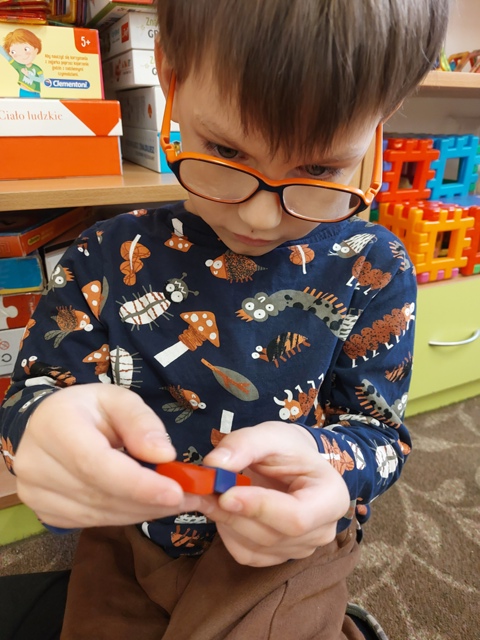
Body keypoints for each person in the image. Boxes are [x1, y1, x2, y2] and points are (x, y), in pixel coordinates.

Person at [0, 1, 449, 638]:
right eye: (225, 150)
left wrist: (325, 464)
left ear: (381, 123)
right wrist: (38, 429)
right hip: (131, 535)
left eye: (319, 169)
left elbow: (380, 435)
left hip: (289, 539)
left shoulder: (373, 265)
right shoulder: (104, 253)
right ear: (168, 76)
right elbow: (31, 395)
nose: (260, 218)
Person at [0, 28, 44, 98]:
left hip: (34, 93)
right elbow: (7, 57)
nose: (21, 55)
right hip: (23, 91)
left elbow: (42, 79)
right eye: (13, 52)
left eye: (26, 49)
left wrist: (29, 75)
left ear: (36, 50)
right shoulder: (19, 66)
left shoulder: (36, 68)